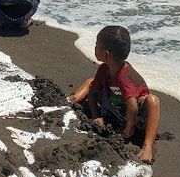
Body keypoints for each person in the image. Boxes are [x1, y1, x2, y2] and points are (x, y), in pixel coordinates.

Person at [69, 26, 161, 165]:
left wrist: (129, 127)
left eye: (97, 46)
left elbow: (133, 107)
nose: (94, 47)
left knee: (153, 100)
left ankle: (148, 144)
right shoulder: (104, 69)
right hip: (114, 107)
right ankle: (71, 100)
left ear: (106, 54)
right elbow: (94, 93)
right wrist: (96, 116)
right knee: (91, 83)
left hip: (133, 117)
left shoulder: (126, 78)